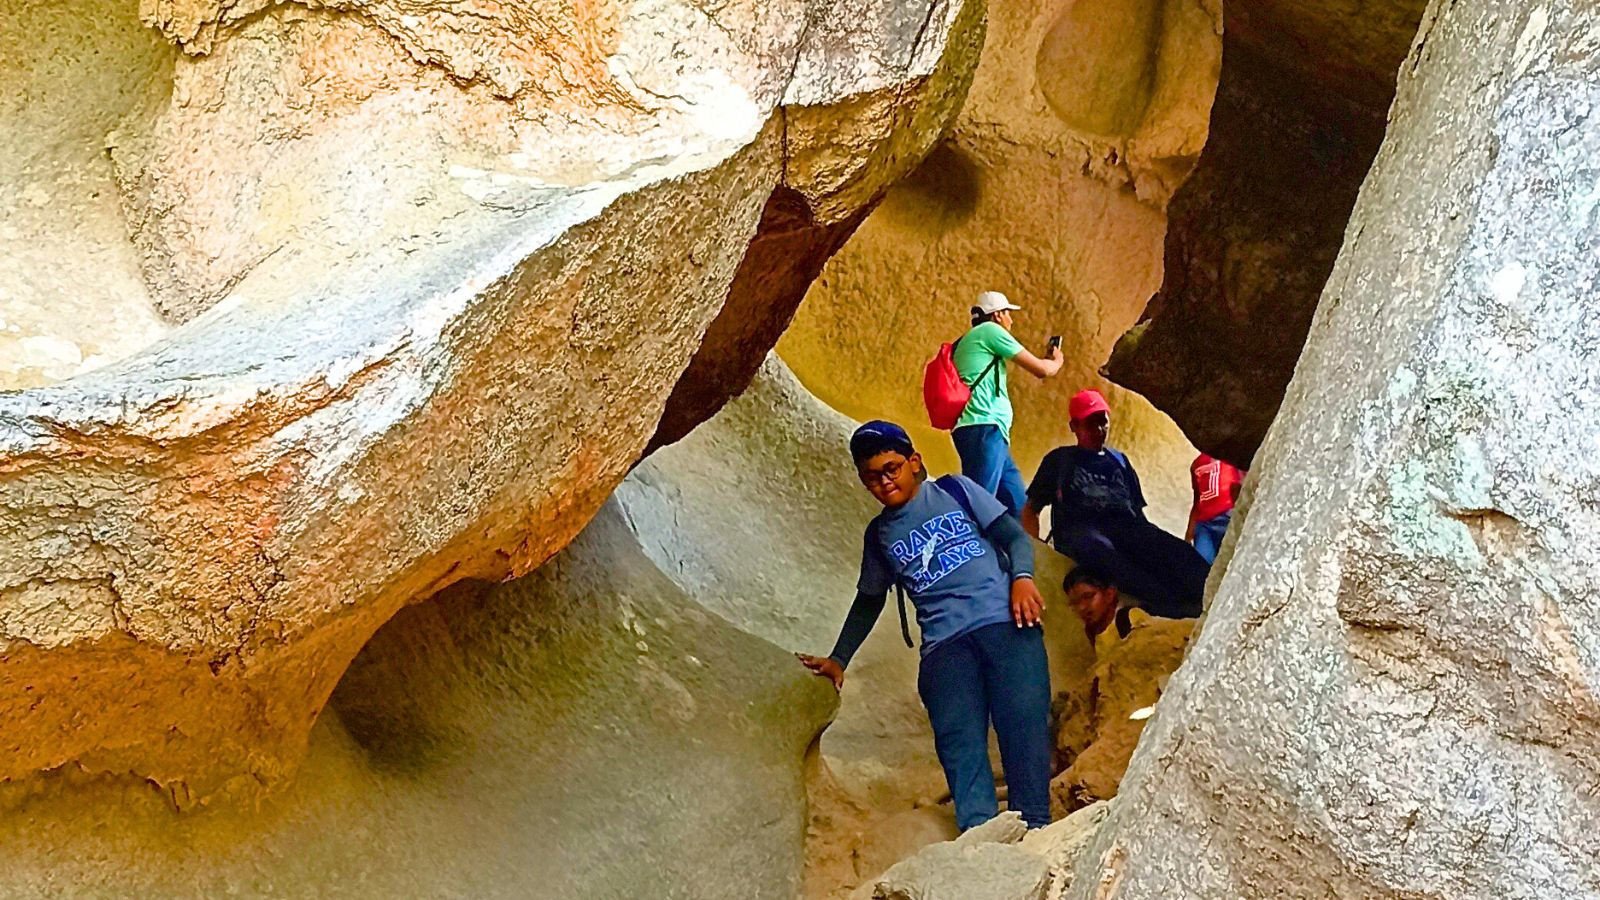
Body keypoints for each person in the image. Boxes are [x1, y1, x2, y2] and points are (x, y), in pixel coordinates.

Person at [798, 420, 1053, 831]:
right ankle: (981, 837)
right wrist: (839, 658)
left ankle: (1036, 827)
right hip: (944, 646)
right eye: (872, 476)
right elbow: (869, 599)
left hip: (1004, 623)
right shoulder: (879, 535)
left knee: (1023, 728)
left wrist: (1022, 578)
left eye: (891, 468)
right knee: (959, 744)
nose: (884, 482)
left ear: (914, 462)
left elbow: (1013, 536)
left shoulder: (956, 490)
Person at [1022, 389, 1208, 626]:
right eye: (1091, 423)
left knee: (1175, 550)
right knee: (1103, 552)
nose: (1099, 429)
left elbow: (1137, 513)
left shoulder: (1119, 461)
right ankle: (1169, 606)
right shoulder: (1060, 460)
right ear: (1074, 426)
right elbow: (1031, 509)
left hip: (1124, 526)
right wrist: (1036, 555)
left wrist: (1152, 540)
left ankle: (1206, 593)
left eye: (1103, 421)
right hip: (1080, 531)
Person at [950, 290, 1064, 517]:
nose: (1011, 320)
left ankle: (1018, 540)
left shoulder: (968, 340)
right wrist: (1057, 360)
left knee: (1019, 508)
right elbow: (1042, 370)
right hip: (984, 428)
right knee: (979, 506)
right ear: (997, 315)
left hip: (989, 432)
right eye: (1008, 313)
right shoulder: (990, 331)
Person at [1186, 453, 1245, 564]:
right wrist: (1189, 534)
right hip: (1204, 524)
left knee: (1232, 562)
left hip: (1228, 517)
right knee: (1201, 564)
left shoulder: (1233, 455)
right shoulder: (1196, 464)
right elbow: (1197, 499)